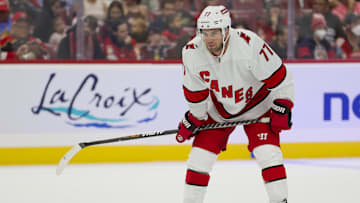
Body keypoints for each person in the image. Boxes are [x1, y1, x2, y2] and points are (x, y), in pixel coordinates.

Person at [176, 5, 294, 203]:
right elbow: (195, 92)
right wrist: (196, 117)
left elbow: (281, 78)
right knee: (198, 158)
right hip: (220, 109)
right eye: (205, 33)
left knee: (268, 154)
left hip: (258, 105)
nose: (209, 38)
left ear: (226, 31)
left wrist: (283, 105)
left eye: (214, 32)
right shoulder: (191, 52)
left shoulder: (249, 44)